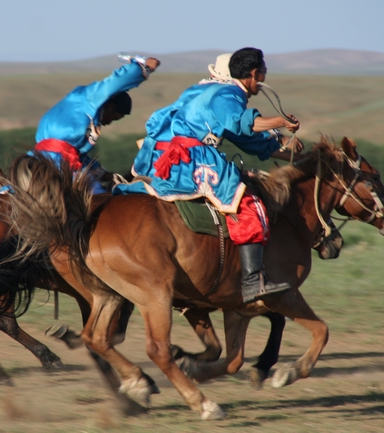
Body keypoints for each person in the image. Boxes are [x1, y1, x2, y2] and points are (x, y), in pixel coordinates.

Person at [114, 48, 303, 304]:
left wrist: (289, 150)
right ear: (254, 74)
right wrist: (279, 121)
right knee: (247, 202)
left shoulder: (203, 91)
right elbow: (240, 124)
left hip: (162, 156)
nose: (264, 77)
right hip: (190, 158)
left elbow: (243, 135)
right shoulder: (229, 93)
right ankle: (251, 281)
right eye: (264, 73)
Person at [32, 54, 160, 193]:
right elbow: (115, 83)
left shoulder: (80, 109)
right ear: (110, 106)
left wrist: (103, 174)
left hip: (38, 161)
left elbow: (74, 154)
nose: (108, 123)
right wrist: (144, 68)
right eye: (114, 118)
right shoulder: (90, 97)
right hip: (58, 164)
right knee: (101, 202)